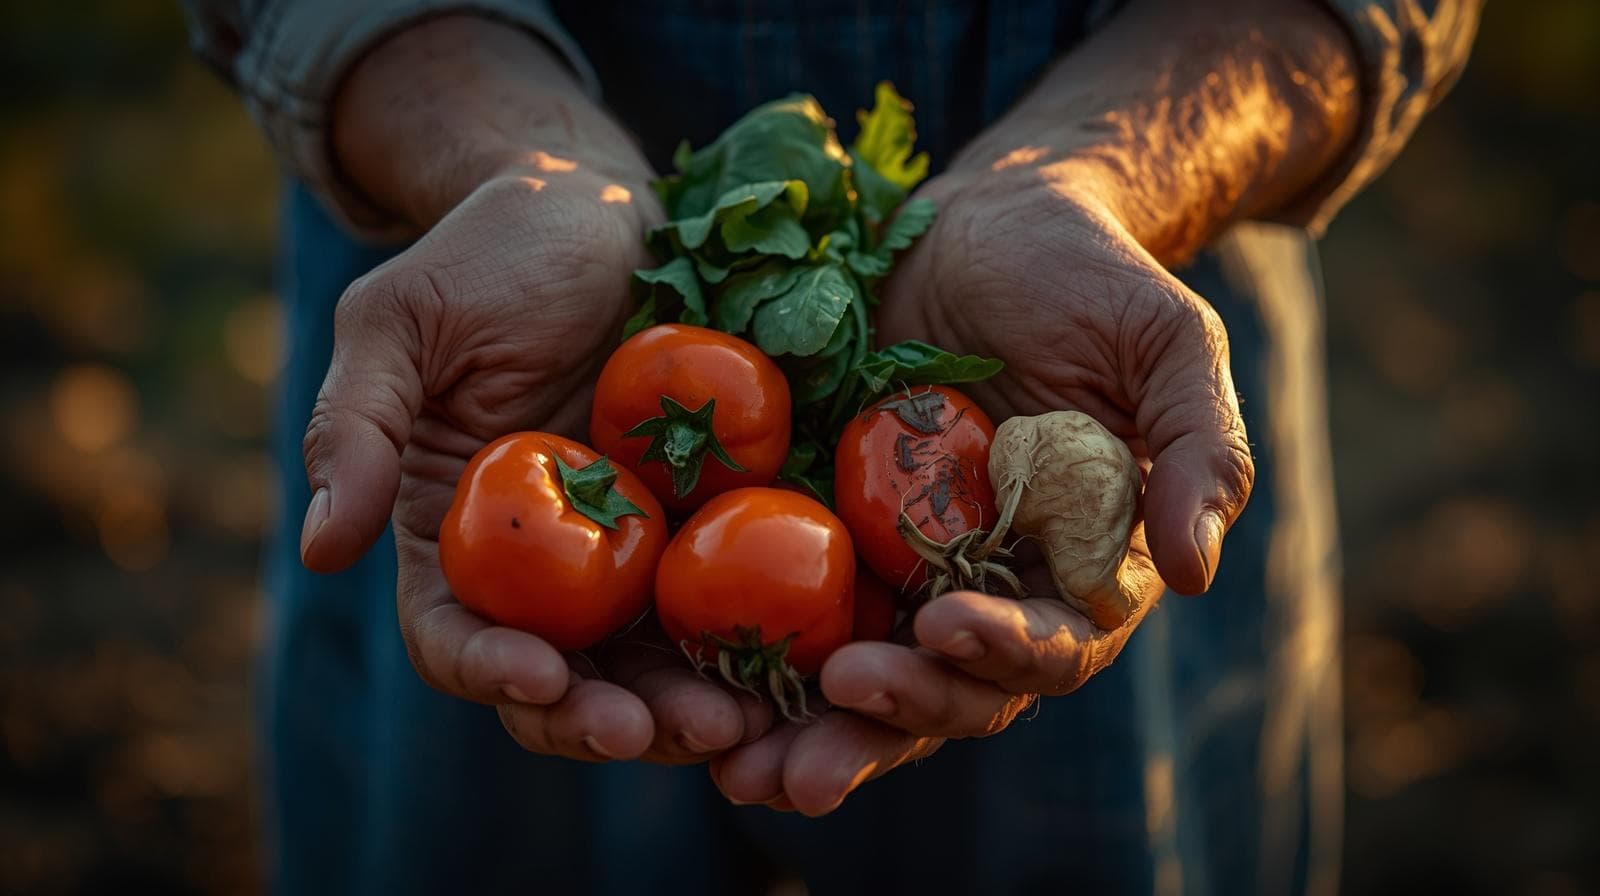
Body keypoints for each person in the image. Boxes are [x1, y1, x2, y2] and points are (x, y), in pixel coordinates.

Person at [185, 1, 1479, 893]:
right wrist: (498, 150)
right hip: (482, 349)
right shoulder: (599, 437)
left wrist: (1106, 168)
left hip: (1093, 348)